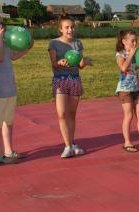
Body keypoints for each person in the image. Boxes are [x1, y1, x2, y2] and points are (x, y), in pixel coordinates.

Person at [0, 12, 33, 164]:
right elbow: (0, 57)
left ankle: (9, 151)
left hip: (10, 85)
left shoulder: (3, 39)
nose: (1, 26)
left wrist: (28, 47)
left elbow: (13, 56)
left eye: (1, 23)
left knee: (9, 121)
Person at [48, 13, 92, 158]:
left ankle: (71, 143)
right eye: (67, 27)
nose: (70, 30)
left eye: (72, 27)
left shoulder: (78, 43)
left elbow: (80, 66)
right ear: (60, 29)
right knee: (61, 114)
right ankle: (67, 147)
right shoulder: (53, 43)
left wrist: (85, 62)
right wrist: (59, 62)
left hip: (74, 80)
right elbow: (53, 64)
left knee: (72, 114)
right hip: (60, 80)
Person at [115, 30, 139, 153]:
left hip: (137, 88)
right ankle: (127, 142)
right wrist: (131, 54)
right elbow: (123, 68)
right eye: (132, 41)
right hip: (125, 89)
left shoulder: (136, 54)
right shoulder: (120, 54)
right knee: (128, 115)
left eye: (136, 41)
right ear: (124, 42)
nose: (135, 43)